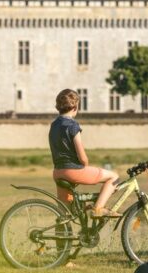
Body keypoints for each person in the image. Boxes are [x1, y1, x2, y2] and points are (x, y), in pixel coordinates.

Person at [50, 88, 120, 218]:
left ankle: (62, 237)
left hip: (57, 172)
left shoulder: (54, 125)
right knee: (113, 177)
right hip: (72, 171)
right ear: (75, 107)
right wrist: (85, 164)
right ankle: (98, 209)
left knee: (64, 213)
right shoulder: (72, 125)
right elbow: (82, 157)